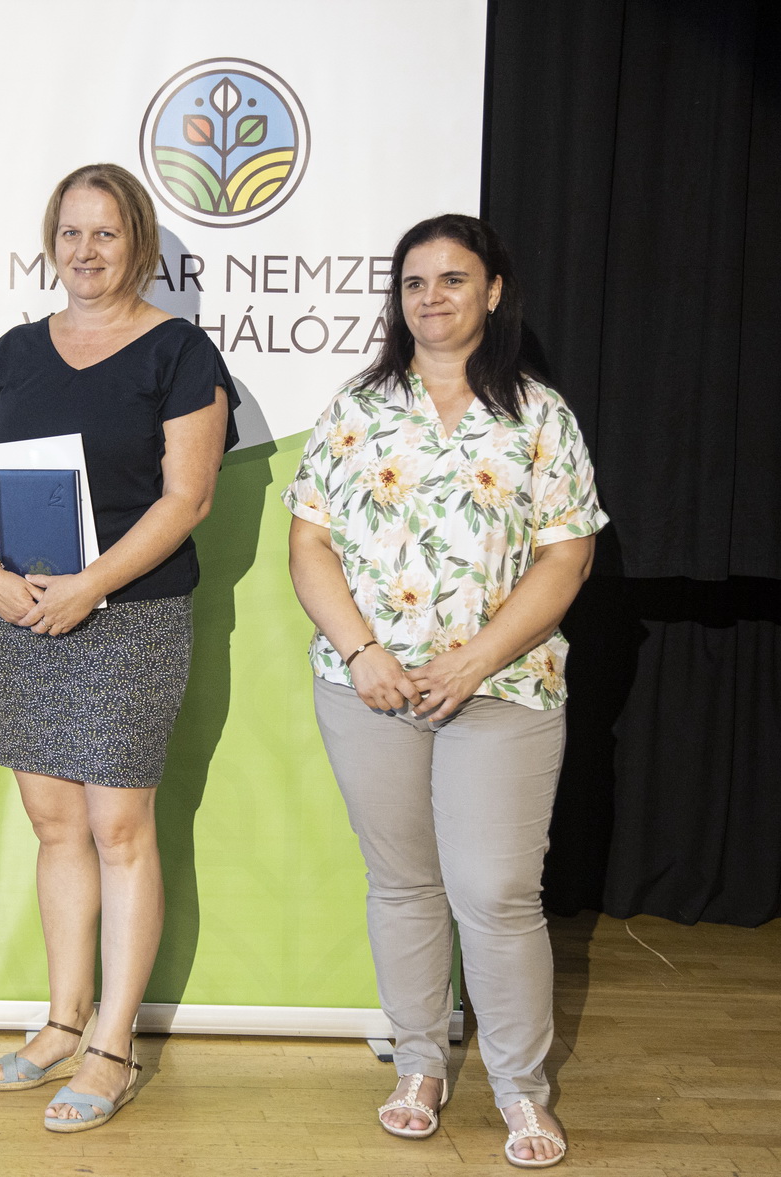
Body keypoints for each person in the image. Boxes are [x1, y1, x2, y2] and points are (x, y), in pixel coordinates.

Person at [284, 214, 607, 1169]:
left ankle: (520, 1087)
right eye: (415, 282)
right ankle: (419, 1064)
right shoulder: (356, 408)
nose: (431, 298)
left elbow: (567, 557)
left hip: (504, 686)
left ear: (493, 292)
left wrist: (472, 660)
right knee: (404, 883)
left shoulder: (540, 415)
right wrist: (363, 651)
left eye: (453, 279)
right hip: (370, 688)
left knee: (496, 891)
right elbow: (309, 542)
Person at [0, 163, 236, 1133]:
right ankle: (60, 1020)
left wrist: (91, 584)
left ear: (138, 243)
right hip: (25, 614)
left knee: (119, 828)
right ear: (51, 243)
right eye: (70, 232)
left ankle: (112, 1043)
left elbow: (187, 499)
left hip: (130, 616)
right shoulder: (11, 354)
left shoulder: (178, 351)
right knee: (54, 824)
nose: (85, 250)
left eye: (105, 233)